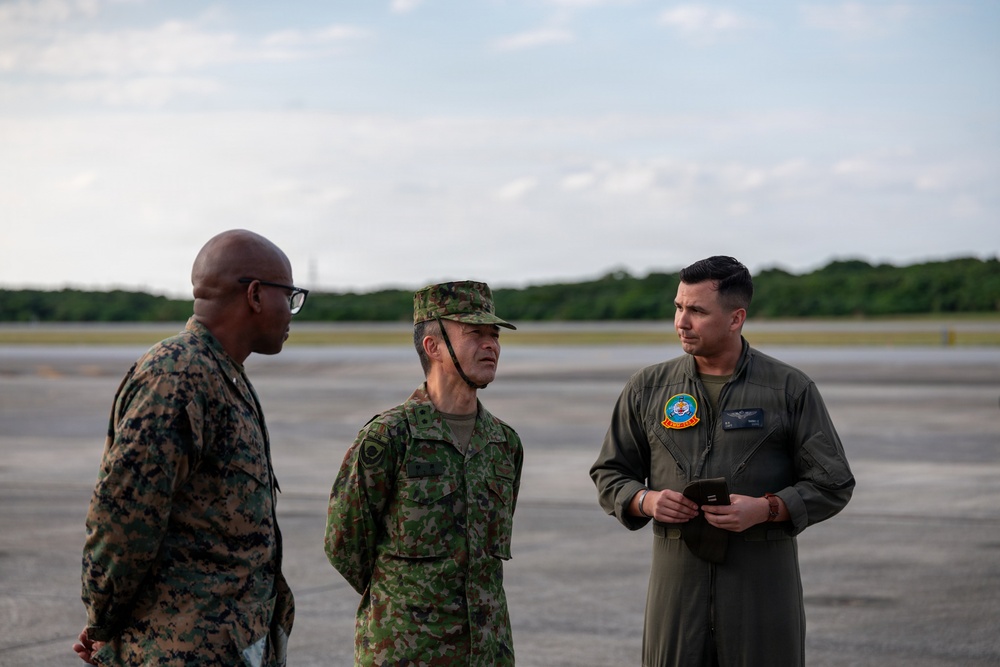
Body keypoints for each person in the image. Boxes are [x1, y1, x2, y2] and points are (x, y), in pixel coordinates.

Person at [590, 256, 854, 667]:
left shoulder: (788, 389)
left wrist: (767, 509)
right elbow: (610, 472)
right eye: (678, 307)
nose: (681, 321)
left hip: (761, 593)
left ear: (736, 318)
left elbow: (833, 481)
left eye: (697, 310)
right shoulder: (647, 388)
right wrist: (646, 501)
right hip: (676, 594)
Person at [73, 229, 305, 666]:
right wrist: (102, 621)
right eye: (288, 295)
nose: (291, 311)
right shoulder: (178, 377)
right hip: (180, 648)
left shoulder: (223, 373)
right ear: (255, 295)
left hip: (227, 642)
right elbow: (123, 520)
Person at [325, 280, 523, 665]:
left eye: (494, 335)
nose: (491, 345)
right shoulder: (389, 437)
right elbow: (344, 544)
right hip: (407, 652)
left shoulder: (503, 443)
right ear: (433, 347)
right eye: (475, 334)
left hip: (487, 653)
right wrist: (402, 599)